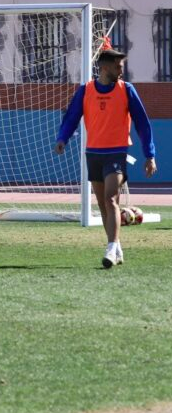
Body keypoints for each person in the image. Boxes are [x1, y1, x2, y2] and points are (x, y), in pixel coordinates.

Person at [54, 47, 157, 268]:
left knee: (111, 198)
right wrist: (63, 138)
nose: (121, 70)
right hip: (93, 153)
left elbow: (142, 124)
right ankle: (116, 246)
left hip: (116, 153)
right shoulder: (86, 90)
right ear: (104, 67)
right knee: (103, 204)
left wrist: (150, 155)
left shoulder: (126, 89)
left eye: (122, 66)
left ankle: (110, 249)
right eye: (118, 66)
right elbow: (72, 117)